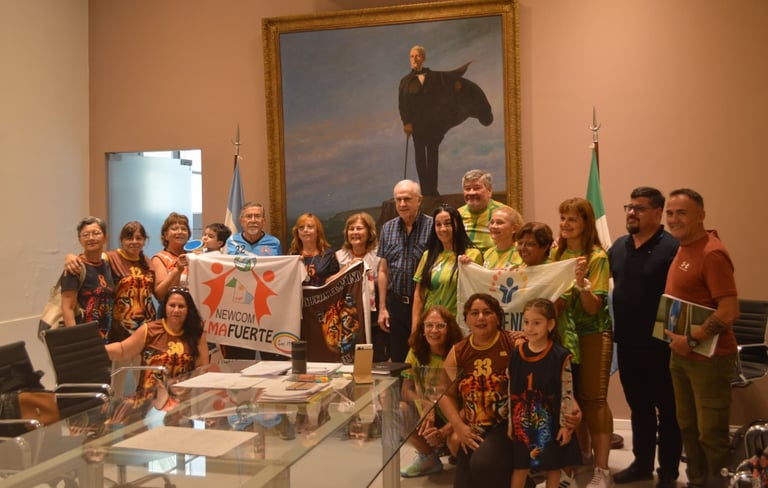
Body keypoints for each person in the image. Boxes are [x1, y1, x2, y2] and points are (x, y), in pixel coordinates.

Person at [662, 188, 738, 488]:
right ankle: (696, 481)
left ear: (701, 216)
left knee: (711, 434)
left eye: (682, 213)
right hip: (681, 355)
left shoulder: (711, 253)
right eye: (670, 213)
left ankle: (717, 483)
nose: (674, 219)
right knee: (687, 427)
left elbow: (729, 310)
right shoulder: (683, 247)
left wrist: (692, 340)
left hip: (710, 359)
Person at [608, 187, 681, 488]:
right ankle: (641, 465)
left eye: (639, 208)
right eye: (629, 206)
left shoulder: (673, 247)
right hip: (627, 343)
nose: (631, 213)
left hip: (662, 346)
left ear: (657, 212)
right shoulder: (619, 246)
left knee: (669, 412)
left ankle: (668, 473)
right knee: (639, 408)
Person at [552, 197, 613, 488]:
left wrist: (582, 286)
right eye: (563, 218)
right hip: (564, 335)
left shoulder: (596, 257)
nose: (565, 224)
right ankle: (577, 459)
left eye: (572, 219)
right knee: (570, 398)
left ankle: (603, 470)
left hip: (592, 334)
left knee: (594, 400)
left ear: (586, 223)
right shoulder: (558, 253)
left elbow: (592, 308)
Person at [438, 293, 520, 488]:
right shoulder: (458, 351)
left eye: (487, 312)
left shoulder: (513, 344)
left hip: (507, 425)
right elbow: (445, 394)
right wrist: (459, 426)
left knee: (483, 465)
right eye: (474, 313)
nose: (480, 317)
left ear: (498, 318)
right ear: (466, 319)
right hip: (474, 426)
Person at [398, 47, 493, 197]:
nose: (414, 59)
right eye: (411, 56)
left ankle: (432, 190)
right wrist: (406, 123)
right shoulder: (405, 82)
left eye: (417, 56)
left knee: (433, 156)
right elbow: (403, 105)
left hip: (433, 124)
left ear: (423, 58)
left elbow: (449, 80)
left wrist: (457, 85)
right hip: (417, 126)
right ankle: (426, 191)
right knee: (420, 157)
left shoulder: (434, 77)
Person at [508, 298, 581, 488]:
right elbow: (511, 390)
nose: (530, 328)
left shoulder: (560, 356)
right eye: (526, 322)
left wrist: (565, 426)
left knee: (553, 467)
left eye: (536, 323)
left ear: (550, 325)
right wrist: (510, 423)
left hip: (550, 423)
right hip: (522, 423)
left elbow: (567, 393)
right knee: (520, 467)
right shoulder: (516, 354)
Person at [105, 287, 209, 401]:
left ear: (188, 309)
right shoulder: (149, 330)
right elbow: (122, 350)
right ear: (165, 307)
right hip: (147, 401)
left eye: (181, 306)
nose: (176, 310)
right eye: (172, 305)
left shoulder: (196, 334)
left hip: (182, 402)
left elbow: (201, 370)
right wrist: (97, 350)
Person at [400, 305, 464, 478]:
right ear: (422, 329)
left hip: (456, 414)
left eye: (440, 326)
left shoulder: (459, 352)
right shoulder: (416, 350)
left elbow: (470, 404)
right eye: (429, 325)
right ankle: (428, 458)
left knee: (456, 442)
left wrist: (445, 431)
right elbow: (406, 390)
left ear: (449, 329)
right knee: (399, 410)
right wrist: (425, 404)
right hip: (430, 414)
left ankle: (459, 460)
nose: (434, 330)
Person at [377, 179, 433, 363]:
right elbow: (383, 270)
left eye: (407, 199)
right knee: (398, 361)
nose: (402, 204)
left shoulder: (433, 227)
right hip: (396, 306)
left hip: (425, 305)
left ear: (419, 200)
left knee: (424, 357)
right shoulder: (388, 228)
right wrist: (383, 308)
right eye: (398, 199)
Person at [412, 204, 482, 326]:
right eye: (438, 224)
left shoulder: (472, 255)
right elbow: (419, 296)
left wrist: (470, 268)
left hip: (458, 325)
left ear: (457, 225)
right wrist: (415, 328)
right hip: (431, 325)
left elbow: (478, 293)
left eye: (448, 223)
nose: (443, 229)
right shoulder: (428, 256)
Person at [335, 212, 387, 361]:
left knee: (376, 359)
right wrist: (348, 268)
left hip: (373, 316)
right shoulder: (339, 256)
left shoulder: (379, 255)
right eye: (351, 229)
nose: (355, 232)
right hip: (347, 319)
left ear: (369, 232)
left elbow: (383, 281)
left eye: (359, 228)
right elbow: (329, 282)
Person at [61, 216, 115, 341]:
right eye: (85, 235)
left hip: (105, 335)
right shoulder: (75, 268)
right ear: (80, 240)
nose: (91, 238)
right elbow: (67, 308)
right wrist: (76, 340)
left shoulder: (107, 264)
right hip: (84, 337)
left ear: (105, 238)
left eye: (96, 233)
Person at [458, 170, 506, 254]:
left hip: (494, 261)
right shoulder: (458, 214)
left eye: (477, 188)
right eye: (467, 189)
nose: (471, 193)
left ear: (489, 190)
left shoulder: (504, 213)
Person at [289, 213, 339, 287]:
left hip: (322, 294)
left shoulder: (329, 255)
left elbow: (336, 283)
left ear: (317, 231)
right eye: (301, 227)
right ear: (297, 233)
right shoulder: (292, 255)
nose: (305, 230)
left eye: (310, 227)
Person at [152, 212, 190, 302]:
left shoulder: (193, 257)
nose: (180, 232)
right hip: (172, 308)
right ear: (166, 235)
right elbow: (160, 295)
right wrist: (177, 270)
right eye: (174, 229)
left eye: (184, 229)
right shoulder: (159, 258)